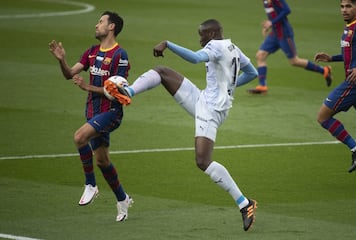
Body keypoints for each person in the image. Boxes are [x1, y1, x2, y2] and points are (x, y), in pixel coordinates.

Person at [104, 19, 258, 231]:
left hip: (211, 111)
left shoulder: (213, 46)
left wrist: (167, 43)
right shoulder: (234, 48)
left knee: (203, 161)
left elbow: (195, 58)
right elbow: (253, 74)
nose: (200, 39)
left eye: (201, 35)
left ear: (211, 34)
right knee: (162, 72)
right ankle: (128, 92)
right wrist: (228, 87)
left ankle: (244, 203)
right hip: (204, 101)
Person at [48, 11, 133, 221]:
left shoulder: (119, 55)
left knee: (79, 137)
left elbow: (118, 91)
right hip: (92, 112)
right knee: (103, 161)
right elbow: (70, 74)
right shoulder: (92, 52)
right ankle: (123, 199)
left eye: (101, 21)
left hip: (111, 112)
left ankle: (91, 185)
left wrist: (87, 86)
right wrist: (62, 60)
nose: (97, 25)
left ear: (111, 26)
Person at [247, 0, 333, 94]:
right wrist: (268, 26)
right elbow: (273, 15)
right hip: (274, 34)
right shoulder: (265, 1)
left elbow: (286, 10)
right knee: (260, 55)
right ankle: (262, 86)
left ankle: (324, 70)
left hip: (284, 34)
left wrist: (272, 23)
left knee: (294, 61)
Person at [314, 0, 356, 173]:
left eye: (348, 6)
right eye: (342, 7)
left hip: (354, 84)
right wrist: (332, 58)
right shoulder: (350, 27)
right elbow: (352, 53)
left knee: (323, 117)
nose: (344, 10)